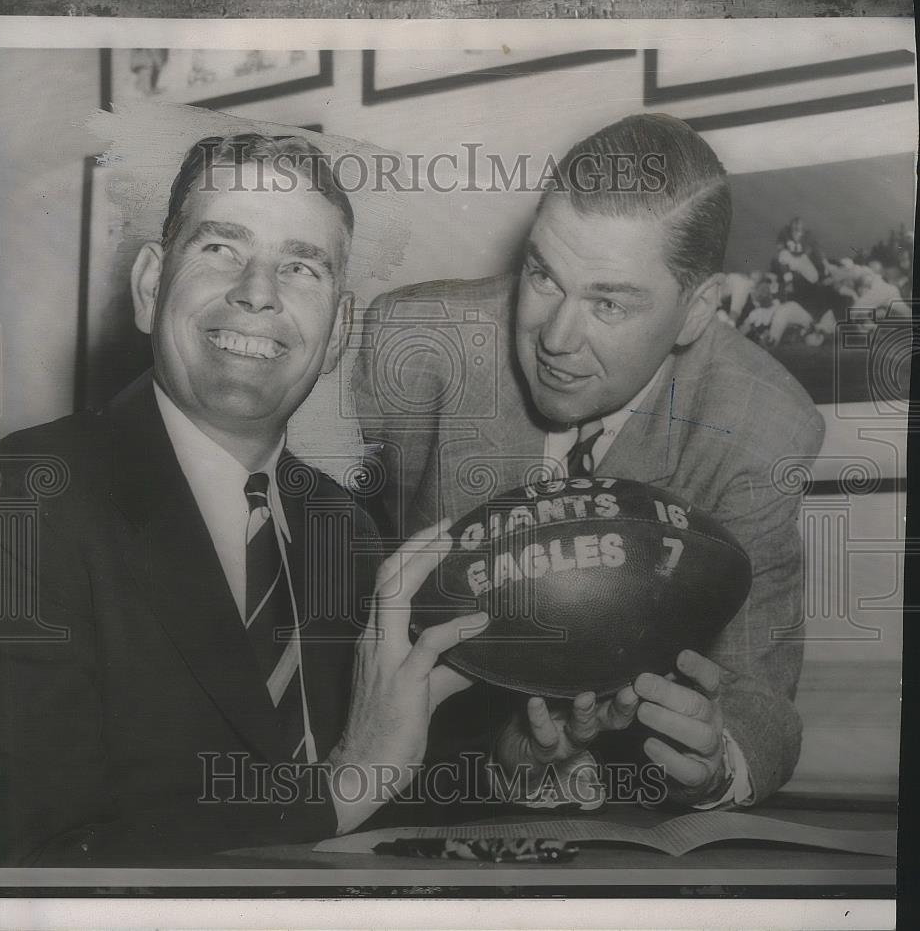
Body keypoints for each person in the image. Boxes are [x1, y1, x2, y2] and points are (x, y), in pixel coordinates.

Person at [0, 133, 485, 866]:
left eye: (301, 267)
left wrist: (540, 765)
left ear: (337, 332)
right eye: (219, 249)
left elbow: (397, 799)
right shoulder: (12, 501)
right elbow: (12, 858)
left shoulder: (349, 528)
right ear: (150, 286)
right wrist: (342, 786)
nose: (258, 292)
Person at [354, 114, 826, 809]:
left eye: (609, 303)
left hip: (582, 794)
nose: (556, 338)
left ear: (697, 312)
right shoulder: (418, 345)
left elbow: (760, 701)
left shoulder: (759, 427)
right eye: (544, 276)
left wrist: (712, 757)